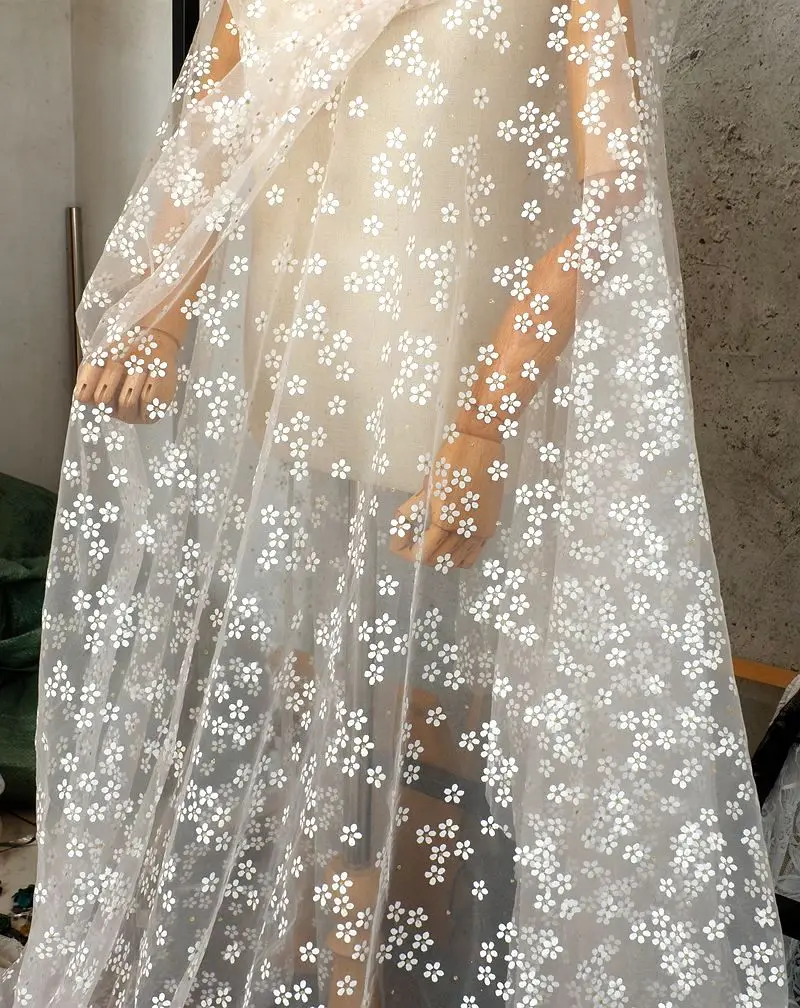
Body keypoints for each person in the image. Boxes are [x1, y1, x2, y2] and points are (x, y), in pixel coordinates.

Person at [2, 2, 786, 1006]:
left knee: (454, 705)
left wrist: (484, 419)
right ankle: (338, 945)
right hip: (294, 384)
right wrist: (159, 307)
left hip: (451, 397)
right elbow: (217, 125)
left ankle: (421, 943)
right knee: (313, 691)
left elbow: (612, 192)